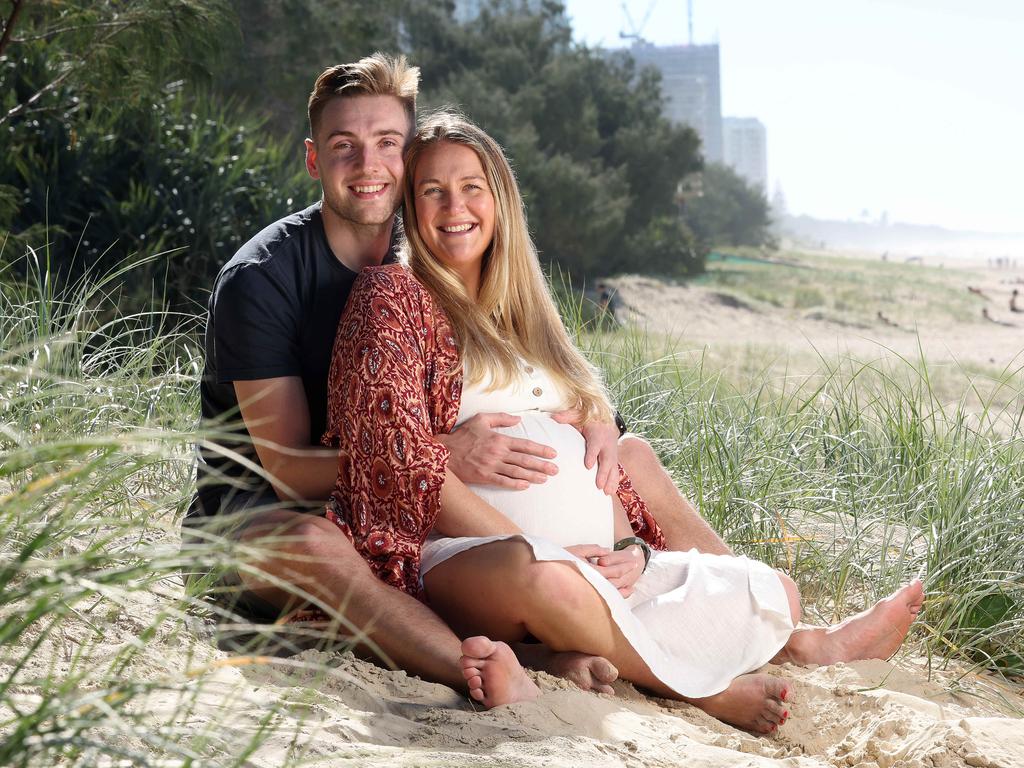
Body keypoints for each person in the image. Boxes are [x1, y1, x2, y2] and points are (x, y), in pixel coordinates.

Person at [324, 111, 925, 733]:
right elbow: (389, 452)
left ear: (500, 198)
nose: (456, 206)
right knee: (545, 579)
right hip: (472, 560)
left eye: (472, 186)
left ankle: (789, 642)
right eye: (433, 190)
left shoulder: (522, 308)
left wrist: (626, 546)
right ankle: (699, 693)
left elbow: (589, 428)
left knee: (770, 591)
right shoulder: (393, 296)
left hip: (597, 566)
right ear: (411, 207)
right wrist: (550, 549)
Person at [182, 53, 734, 696]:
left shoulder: (432, 251)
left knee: (612, 479)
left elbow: (522, 369)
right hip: (263, 517)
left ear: (408, 153)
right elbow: (286, 469)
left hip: (406, 515)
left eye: (387, 143)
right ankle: (467, 664)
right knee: (314, 541)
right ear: (313, 160)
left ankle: (560, 639)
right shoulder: (264, 280)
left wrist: (599, 415)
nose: (368, 166)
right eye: (344, 147)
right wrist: (433, 455)